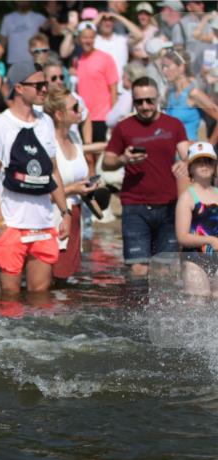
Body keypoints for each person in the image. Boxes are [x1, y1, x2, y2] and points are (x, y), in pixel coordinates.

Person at [0, 61, 73, 295]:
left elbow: (53, 172)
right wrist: (0, 223)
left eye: (45, 84)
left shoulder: (46, 122)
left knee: (41, 296)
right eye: (39, 84)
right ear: (19, 88)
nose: (44, 89)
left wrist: (65, 212)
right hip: (11, 225)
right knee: (8, 299)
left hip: (42, 224)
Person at [103, 77, 190, 277]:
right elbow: (107, 162)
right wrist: (123, 158)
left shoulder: (174, 125)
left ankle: (160, 309)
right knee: (138, 268)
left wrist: (185, 163)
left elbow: (188, 155)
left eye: (150, 100)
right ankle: (135, 307)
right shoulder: (123, 127)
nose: (145, 106)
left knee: (165, 270)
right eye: (139, 102)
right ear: (133, 101)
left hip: (168, 205)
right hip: (135, 206)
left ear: (158, 98)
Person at [44, 88, 97, 281]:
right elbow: (38, 193)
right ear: (59, 115)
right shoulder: (47, 143)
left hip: (76, 215)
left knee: (68, 278)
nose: (80, 109)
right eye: (74, 107)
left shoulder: (75, 139)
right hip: (52, 218)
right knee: (50, 279)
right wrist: (73, 189)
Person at [175, 141, 218, 296]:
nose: (204, 166)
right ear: (190, 168)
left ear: (215, 167)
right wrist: (210, 241)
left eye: (208, 162)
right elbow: (182, 237)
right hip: (194, 259)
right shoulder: (187, 198)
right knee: (198, 300)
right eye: (199, 162)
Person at [159, 48, 218, 143]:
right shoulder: (169, 92)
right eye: (162, 67)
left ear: (181, 67)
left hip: (189, 152)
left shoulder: (193, 93)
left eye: (167, 66)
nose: (164, 71)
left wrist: (209, 147)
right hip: (171, 151)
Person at [74, 22, 119, 146]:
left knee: (100, 156)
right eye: (85, 37)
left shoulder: (105, 58)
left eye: (91, 37)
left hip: (102, 117)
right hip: (83, 117)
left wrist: (113, 118)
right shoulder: (77, 60)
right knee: (87, 157)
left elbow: (114, 90)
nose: (88, 41)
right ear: (79, 39)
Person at [0, 1, 49, 67]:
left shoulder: (38, 17)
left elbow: (50, 32)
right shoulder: (8, 19)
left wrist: (52, 14)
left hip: (34, 61)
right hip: (14, 62)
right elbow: (2, 41)